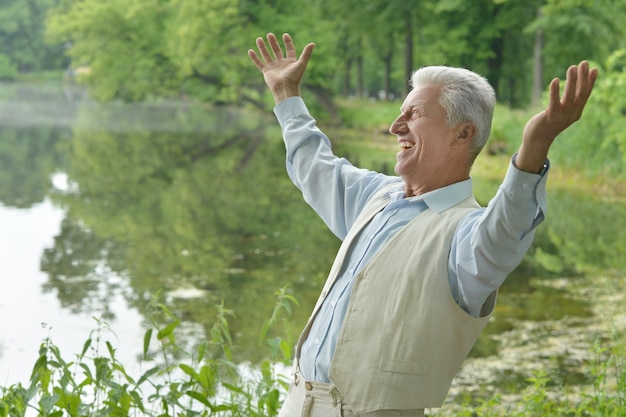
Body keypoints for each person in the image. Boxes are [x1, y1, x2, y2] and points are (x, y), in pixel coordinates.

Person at [248, 33, 597, 417]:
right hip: (298, 405)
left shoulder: (467, 235)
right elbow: (314, 165)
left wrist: (535, 146)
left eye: (413, 114)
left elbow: (505, 229)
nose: (396, 126)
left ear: (462, 134)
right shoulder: (375, 196)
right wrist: (286, 95)